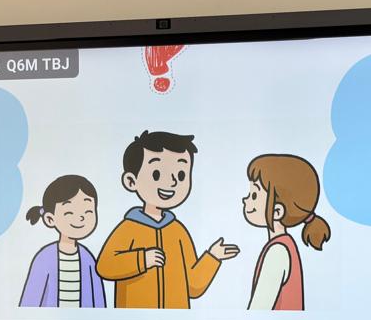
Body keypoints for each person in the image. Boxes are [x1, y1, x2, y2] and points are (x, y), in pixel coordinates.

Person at [96, 130, 238, 307]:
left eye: (181, 175)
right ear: (131, 181)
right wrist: (142, 260)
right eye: (156, 174)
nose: (172, 182)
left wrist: (213, 257)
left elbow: (193, 286)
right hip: (136, 318)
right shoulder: (128, 228)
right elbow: (105, 266)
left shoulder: (178, 231)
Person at [241, 153, 331, 310]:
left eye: (254, 195)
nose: (245, 199)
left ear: (277, 211)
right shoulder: (284, 245)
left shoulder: (277, 252)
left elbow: (258, 310)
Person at [19, 174, 106, 307]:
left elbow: (98, 298)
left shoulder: (87, 258)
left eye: (88, 211)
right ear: (50, 219)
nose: (80, 218)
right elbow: (31, 300)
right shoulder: (43, 258)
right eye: (69, 213)